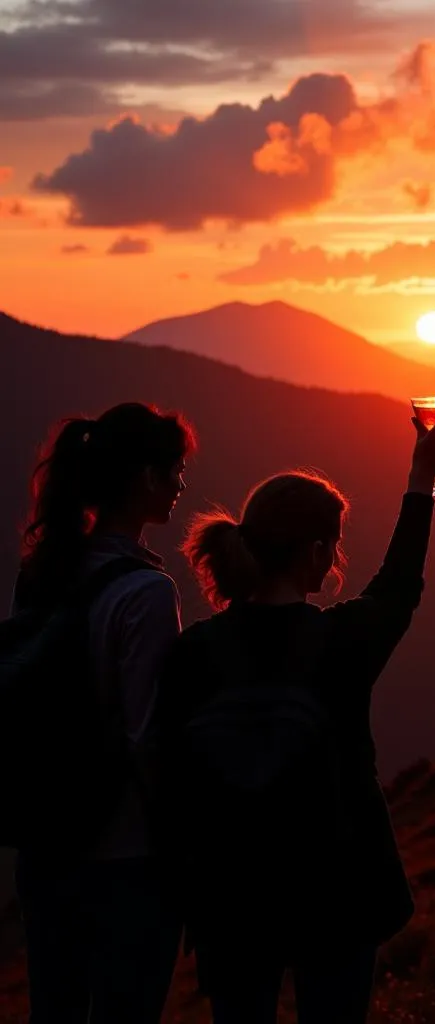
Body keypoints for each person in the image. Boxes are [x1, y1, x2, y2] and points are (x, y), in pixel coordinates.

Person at [151, 408, 435, 1024]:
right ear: (315, 550)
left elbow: (170, 775)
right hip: (337, 893)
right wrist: (421, 479)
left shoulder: (193, 652)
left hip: (231, 897)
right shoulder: (343, 642)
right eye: (333, 545)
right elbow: (399, 585)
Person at [11, 402, 195, 1024]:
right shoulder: (147, 591)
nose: (179, 486)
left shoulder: (42, 570)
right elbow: (148, 737)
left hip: (45, 837)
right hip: (124, 856)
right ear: (145, 477)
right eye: (174, 472)